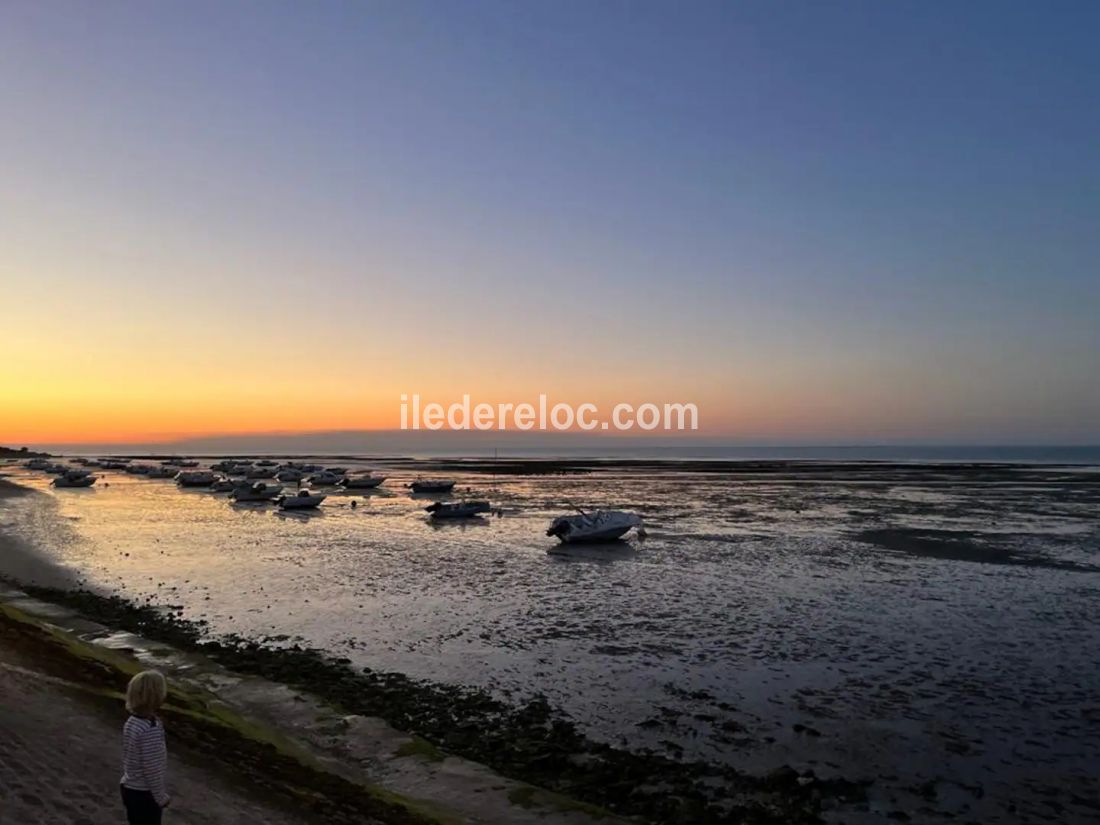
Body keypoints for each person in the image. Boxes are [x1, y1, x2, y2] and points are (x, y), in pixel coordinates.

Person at [120, 670, 171, 824]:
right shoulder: (150, 729)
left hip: (129, 786)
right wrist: (161, 797)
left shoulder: (133, 721)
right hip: (143, 793)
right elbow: (151, 768)